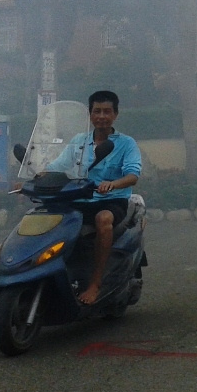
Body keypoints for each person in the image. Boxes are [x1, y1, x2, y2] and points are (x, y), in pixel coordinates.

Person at [46, 90, 143, 305]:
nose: (101, 116)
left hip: (111, 200)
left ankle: (95, 283)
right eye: (97, 111)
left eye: (107, 111)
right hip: (80, 199)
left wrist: (113, 184)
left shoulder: (126, 144)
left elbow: (132, 175)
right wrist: (36, 176)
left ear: (115, 115)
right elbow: (58, 167)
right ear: (90, 115)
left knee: (103, 219)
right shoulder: (79, 142)